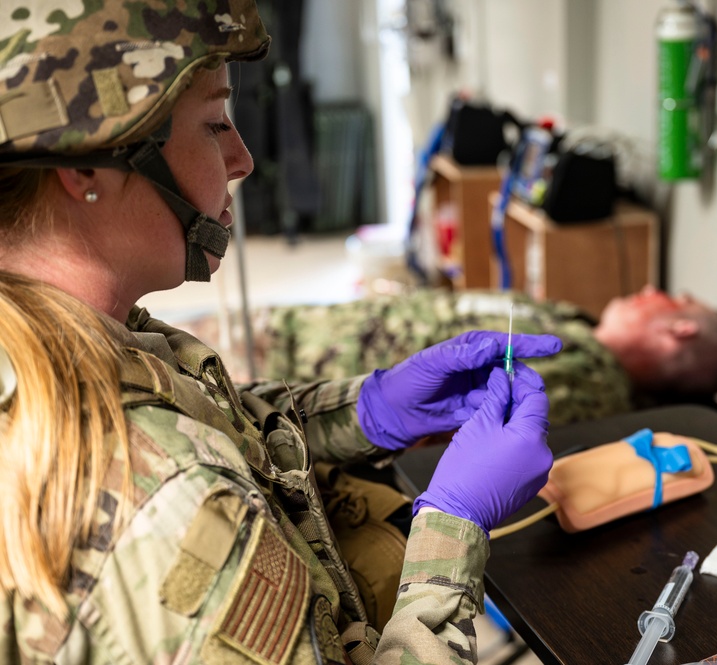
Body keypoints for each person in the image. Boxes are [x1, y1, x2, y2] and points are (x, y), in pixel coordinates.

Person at [0, 3, 562, 663]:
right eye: (213, 124)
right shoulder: (165, 503)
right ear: (86, 166)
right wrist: (454, 527)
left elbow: (205, 424)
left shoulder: (61, 335)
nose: (241, 159)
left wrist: (368, 409)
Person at [255, 286, 717, 426]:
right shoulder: (580, 327)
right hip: (299, 334)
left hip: (294, 382)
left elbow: (452, 424)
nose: (650, 289)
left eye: (673, 298)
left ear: (679, 330)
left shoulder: (588, 383)